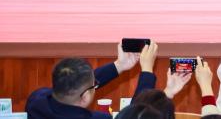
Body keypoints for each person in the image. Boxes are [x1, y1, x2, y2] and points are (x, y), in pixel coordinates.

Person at [26, 41, 157, 119]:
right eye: (93, 86)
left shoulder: (36, 103)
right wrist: (147, 70)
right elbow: (136, 115)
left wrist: (119, 65)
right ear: (85, 97)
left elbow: (75, 80)